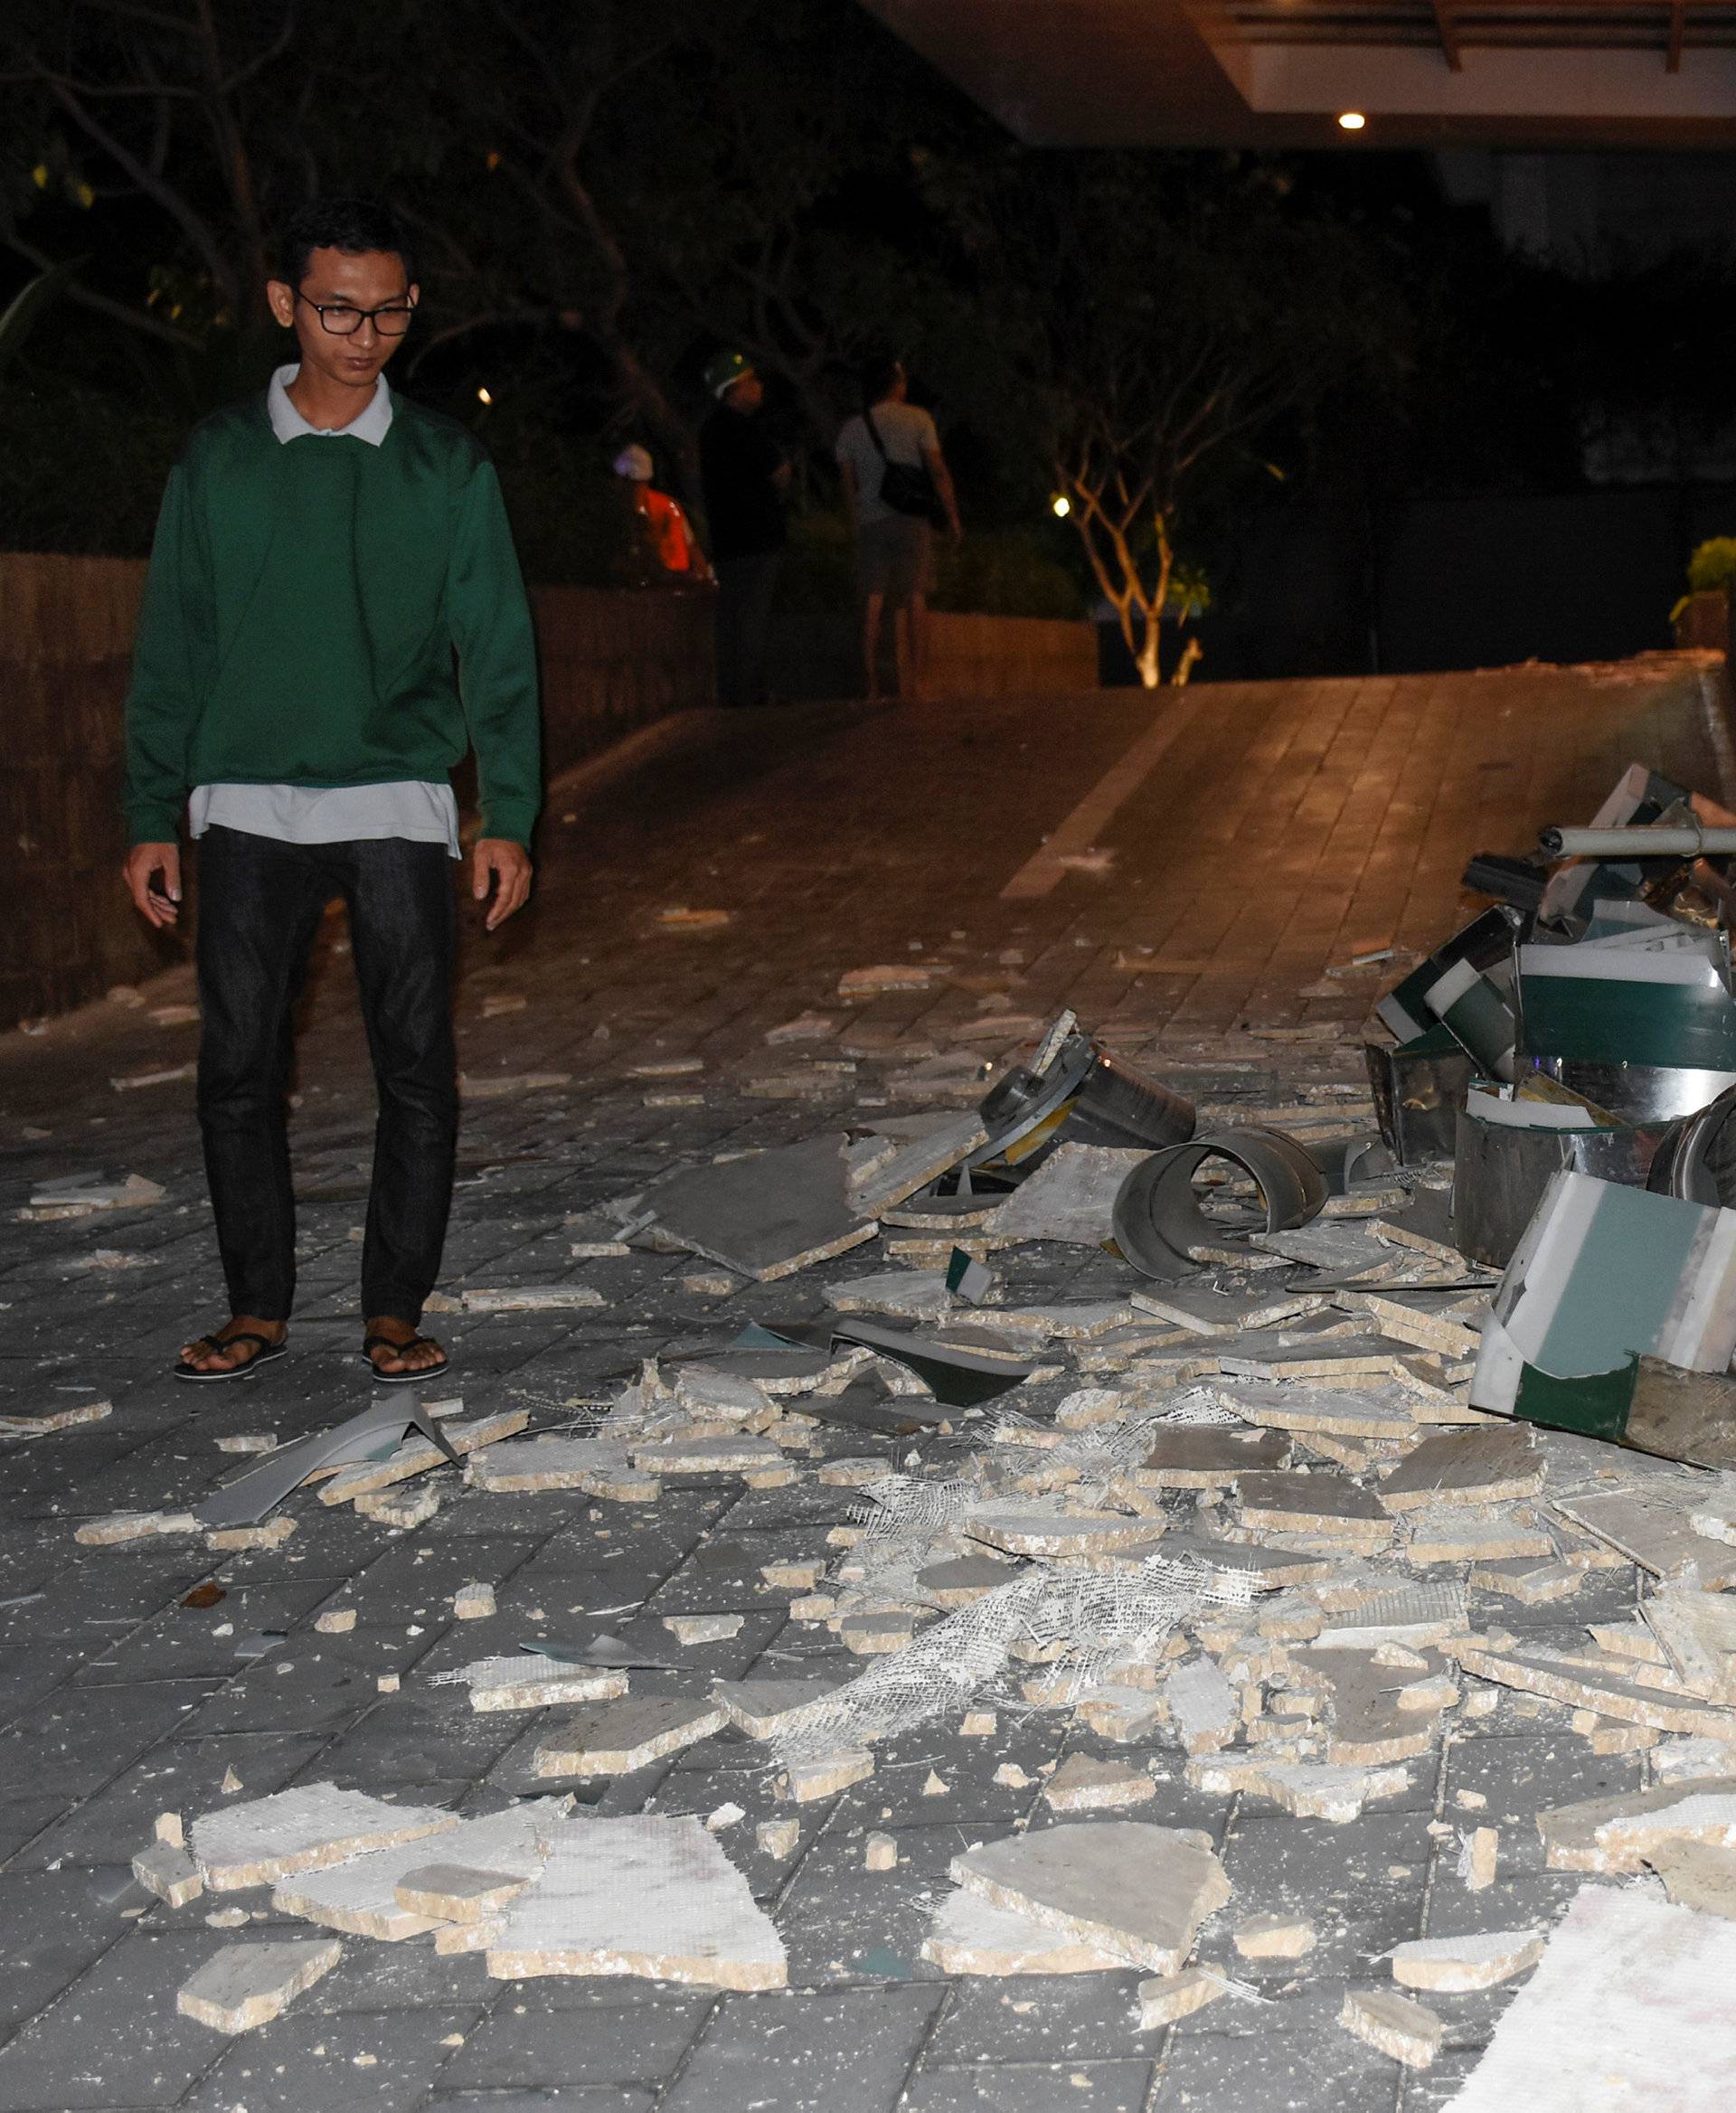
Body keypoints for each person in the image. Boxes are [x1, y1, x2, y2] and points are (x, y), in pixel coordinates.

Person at [121, 195, 541, 1387]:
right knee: (238, 1064)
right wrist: (149, 810)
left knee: (416, 1064)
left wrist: (507, 812)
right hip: (247, 806)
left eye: (391, 310)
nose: (365, 334)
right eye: (339, 309)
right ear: (283, 304)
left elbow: (497, 649)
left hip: (399, 801)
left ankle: (394, 1309)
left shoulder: (444, 464)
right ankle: (255, 1305)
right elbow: (171, 643)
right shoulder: (218, 457)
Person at [835, 355, 961, 703]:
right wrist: (952, 516)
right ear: (897, 384)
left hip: (871, 521)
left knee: (871, 601)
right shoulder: (918, 419)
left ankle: (871, 683)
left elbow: (848, 485)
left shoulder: (851, 428)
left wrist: (853, 521)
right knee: (916, 596)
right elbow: (937, 471)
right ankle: (918, 683)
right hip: (910, 519)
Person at [699, 351, 788, 706]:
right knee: (753, 615)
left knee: (731, 615)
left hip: (726, 538)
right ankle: (748, 690)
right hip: (758, 535)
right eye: (751, 380)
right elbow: (780, 472)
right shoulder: (746, 429)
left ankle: (730, 687)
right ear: (733, 391)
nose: (759, 386)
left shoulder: (709, 430)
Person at [612, 443, 712, 581]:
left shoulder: (668, 507)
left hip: (673, 580)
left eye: (638, 484)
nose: (635, 490)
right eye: (632, 484)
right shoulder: (612, 511)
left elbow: (691, 547)